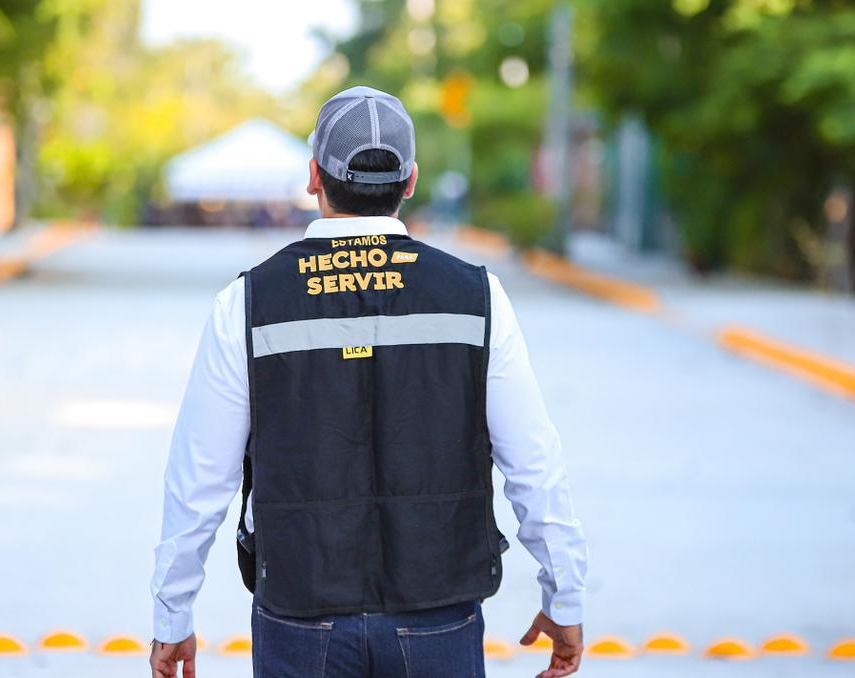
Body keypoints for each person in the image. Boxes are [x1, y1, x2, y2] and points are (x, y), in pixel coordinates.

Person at [150, 86, 588, 678]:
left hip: (300, 613)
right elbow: (534, 461)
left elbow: (200, 475)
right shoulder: (476, 296)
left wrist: (173, 614)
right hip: (438, 612)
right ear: (410, 181)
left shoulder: (248, 303)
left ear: (314, 177)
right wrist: (564, 597)